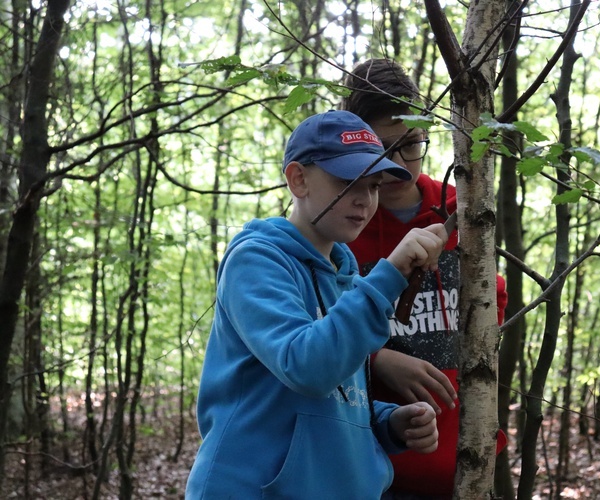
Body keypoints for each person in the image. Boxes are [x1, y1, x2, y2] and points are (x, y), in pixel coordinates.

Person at [185, 110, 452, 499]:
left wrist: (388, 422)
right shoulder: (256, 260)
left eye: (374, 186)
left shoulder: (347, 280)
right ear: (298, 179)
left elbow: (338, 397)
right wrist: (388, 274)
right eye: (348, 182)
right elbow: (306, 366)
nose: (364, 200)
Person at [342, 59, 509, 499]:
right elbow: (311, 338)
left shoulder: (463, 209)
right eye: (379, 148)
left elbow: (492, 313)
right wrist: (376, 359)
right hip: (368, 469)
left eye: (410, 144)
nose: (397, 163)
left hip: (467, 463)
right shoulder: (342, 224)